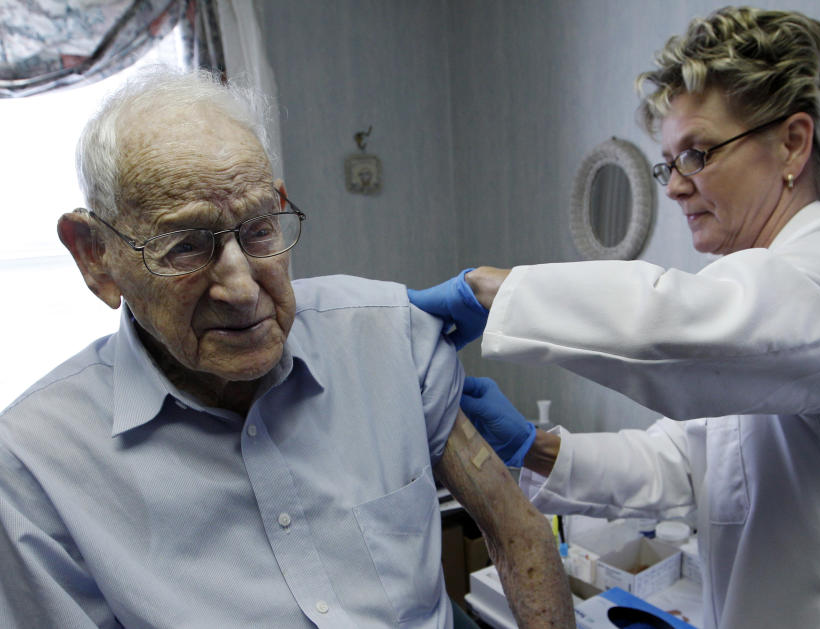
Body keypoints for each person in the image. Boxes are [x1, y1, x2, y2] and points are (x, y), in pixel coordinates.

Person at [409, 7, 820, 628]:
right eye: (669, 163)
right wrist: (532, 446)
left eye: (697, 154)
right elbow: (687, 468)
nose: (674, 187)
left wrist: (492, 290)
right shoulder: (757, 300)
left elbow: (690, 327)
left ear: (793, 142)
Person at [0, 67, 575, 628]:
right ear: (95, 255)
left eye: (258, 230)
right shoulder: (36, 465)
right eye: (187, 246)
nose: (243, 288)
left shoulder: (390, 337)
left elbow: (518, 531)